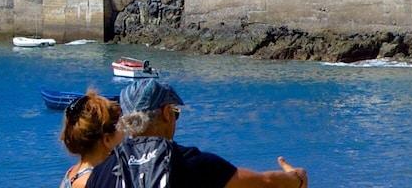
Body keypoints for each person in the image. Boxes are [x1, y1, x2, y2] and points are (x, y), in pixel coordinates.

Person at [87, 79, 307, 188]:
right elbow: (264, 183)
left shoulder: (99, 174)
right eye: (175, 112)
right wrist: (297, 178)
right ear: (166, 113)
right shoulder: (192, 163)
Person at [60, 90, 123, 188]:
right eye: (121, 127)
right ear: (107, 140)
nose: (125, 133)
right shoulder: (92, 181)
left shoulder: (72, 173)